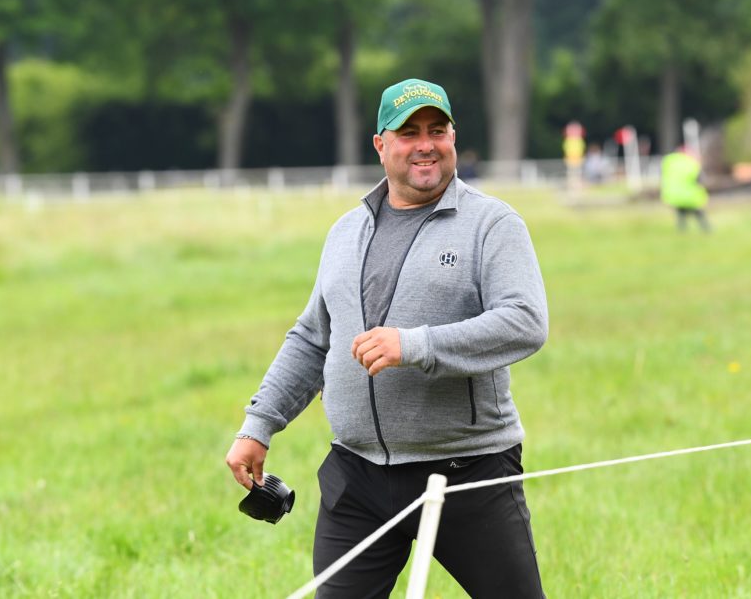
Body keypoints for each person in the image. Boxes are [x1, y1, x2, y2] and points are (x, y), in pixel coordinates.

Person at [225, 78, 549, 598]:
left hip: (465, 472)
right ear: (381, 145)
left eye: (437, 130)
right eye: (409, 132)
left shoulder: (492, 224)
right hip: (357, 477)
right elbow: (312, 338)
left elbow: (525, 321)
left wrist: (416, 345)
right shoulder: (345, 232)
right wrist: (259, 424)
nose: (426, 143)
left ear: (453, 137)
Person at [660, 144, 711, 232]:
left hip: (674, 196)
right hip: (690, 196)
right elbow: (700, 180)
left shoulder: (669, 162)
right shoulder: (691, 163)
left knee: (681, 215)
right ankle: (707, 230)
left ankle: (682, 232)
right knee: (699, 214)